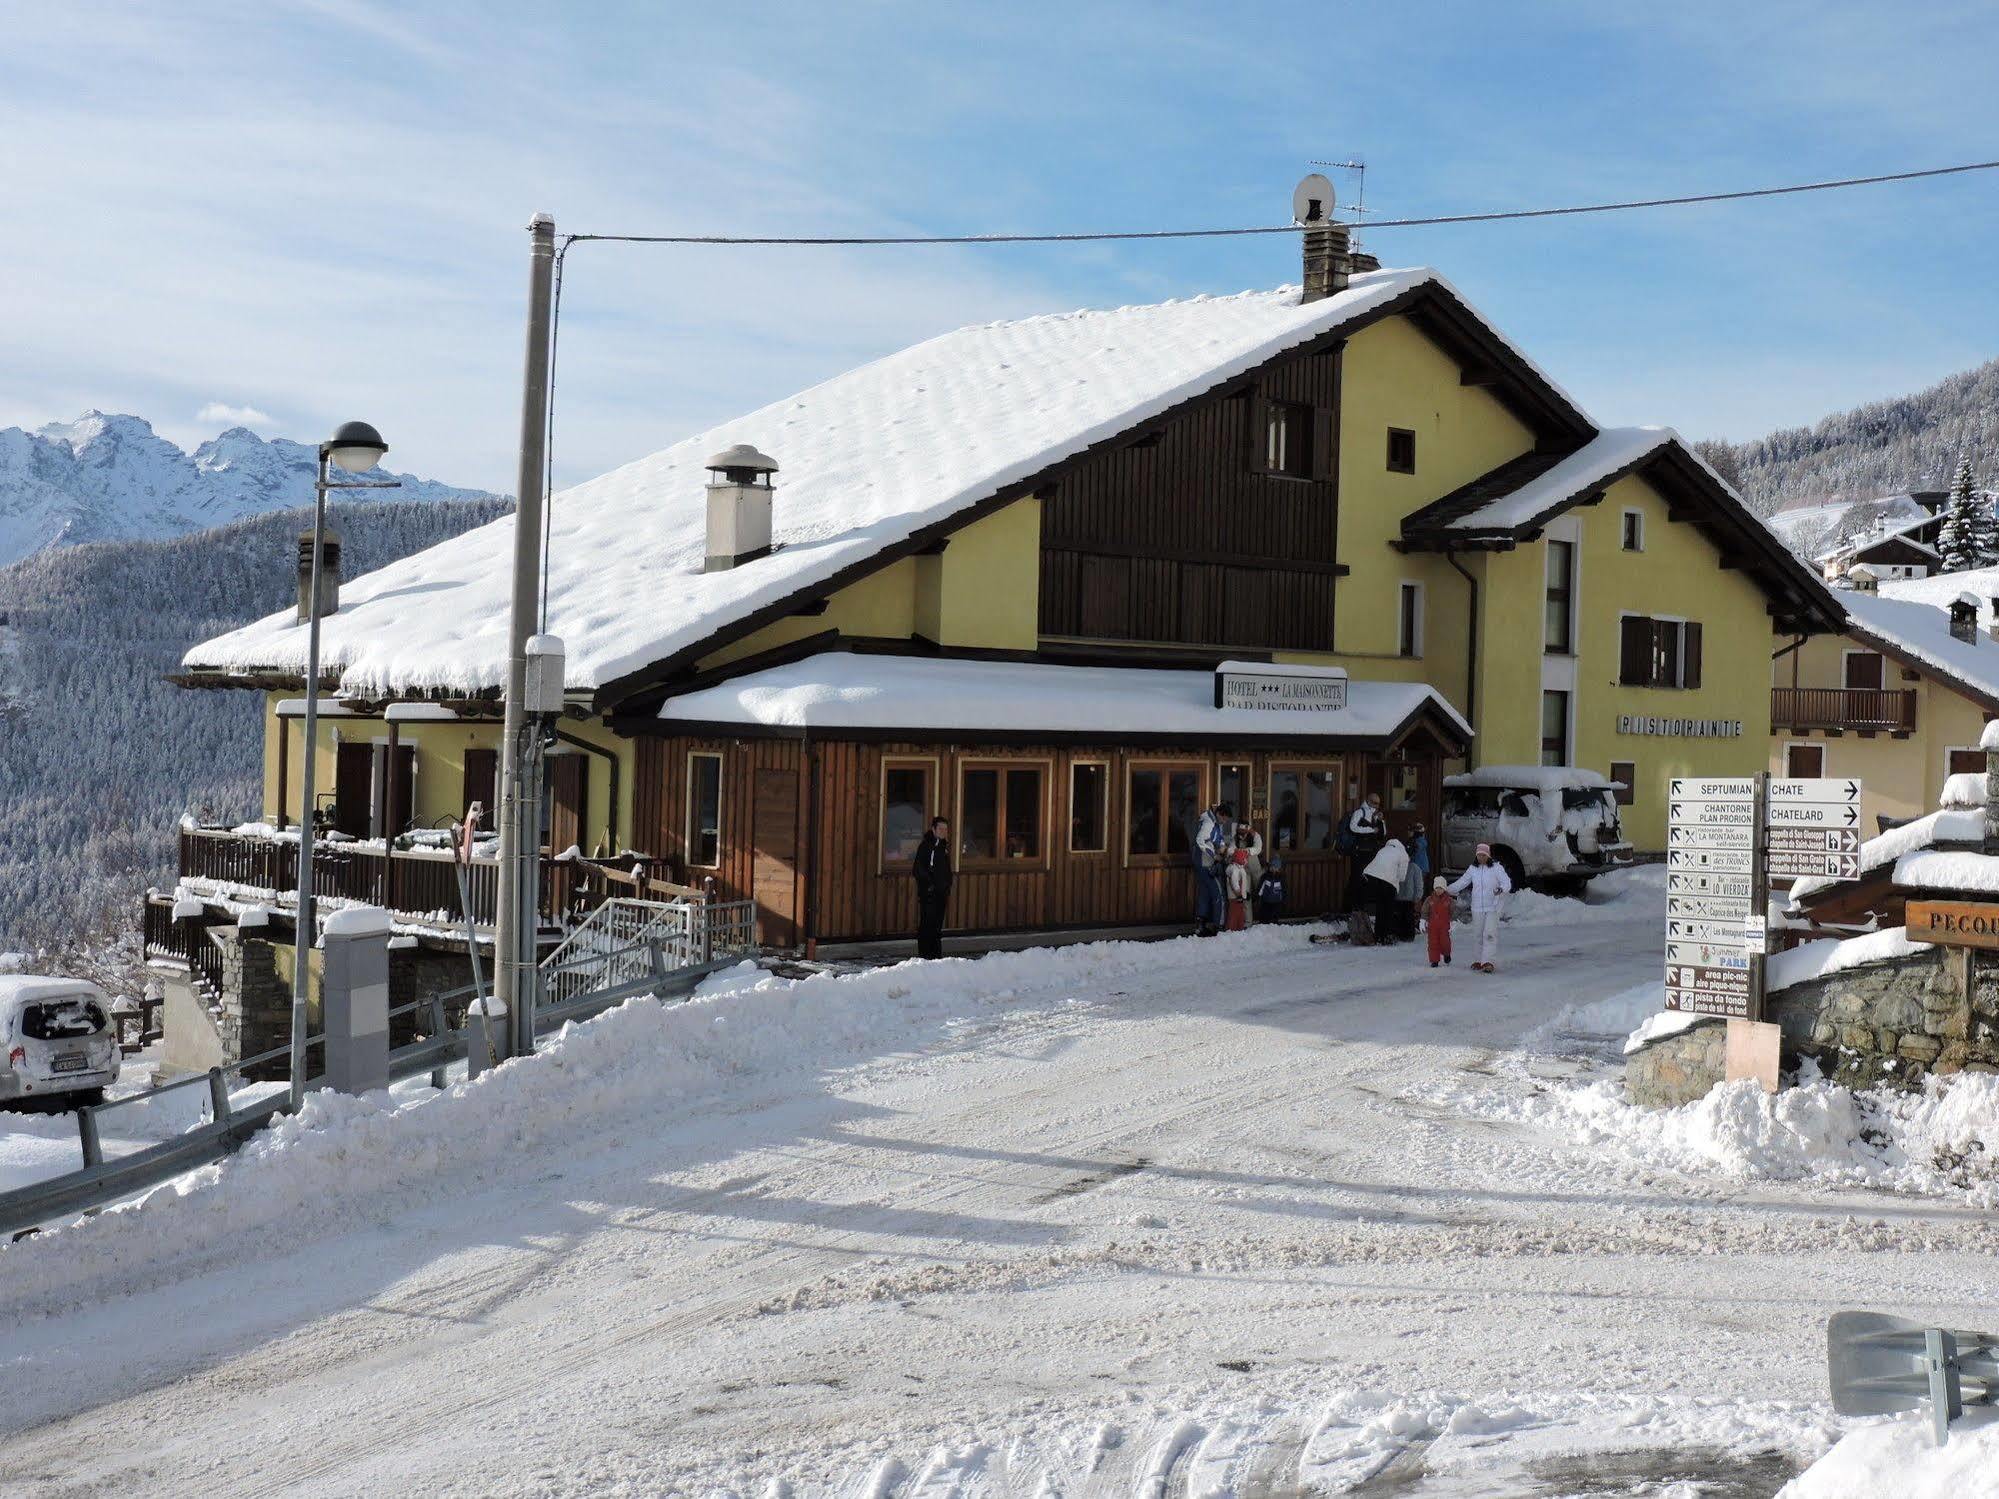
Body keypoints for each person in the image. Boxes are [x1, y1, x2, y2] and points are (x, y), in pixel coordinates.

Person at [1448, 842, 1513, 972]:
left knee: (1489, 934)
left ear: (1488, 856)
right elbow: (1462, 882)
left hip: (1492, 906)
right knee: (1477, 934)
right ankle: (1478, 960)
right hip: (1477, 907)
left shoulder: (1496, 868)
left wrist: (1501, 889)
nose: (1481, 858)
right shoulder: (1473, 869)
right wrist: (1447, 889)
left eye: (1483, 855)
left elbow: (1507, 882)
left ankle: (1488, 961)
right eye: (1479, 855)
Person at [912, 815, 953, 960]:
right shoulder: (926, 847)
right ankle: (925, 957)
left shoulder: (943, 848)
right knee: (926, 926)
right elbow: (918, 869)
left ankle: (936, 957)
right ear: (933, 829)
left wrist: (947, 886)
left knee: (937, 927)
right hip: (929, 895)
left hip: (941, 894)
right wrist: (929, 886)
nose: (943, 832)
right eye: (940, 829)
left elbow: (946, 870)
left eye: (946, 829)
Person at [1192, 800, 1235, 937]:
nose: (1225, 822)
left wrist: (1222, 845)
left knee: (1204, 893)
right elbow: (1200, 840)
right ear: (1220, 815)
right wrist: (1215, 855)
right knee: (1219, 894)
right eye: (1225, 819)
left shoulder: (1213, 820)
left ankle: (1200, 925)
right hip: (1206, 863)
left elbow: (1218, 836)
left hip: (1201, 863)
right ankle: (1218, 926)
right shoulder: (1209, 823)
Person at [1343, 792, 1387, 912]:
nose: (1377, 806)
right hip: (1359, 852)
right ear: (1368, 801)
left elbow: (1382, 834)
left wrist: (1381, 822)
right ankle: (1351, 907)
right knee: (1356, 879)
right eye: (1375, 803)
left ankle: (1364, 907)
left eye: (1378, 804)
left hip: (1371, 852)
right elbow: (1353, 827)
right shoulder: (1359, 812)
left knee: (1368, 879)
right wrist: (1371, 830)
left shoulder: (1376, 815)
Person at [1361, 836, 1409, 945]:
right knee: (1388, 909)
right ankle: (1386, 935)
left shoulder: (1383, 849)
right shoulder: (1403, 854)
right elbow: (1402, 876)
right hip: (1388, 882)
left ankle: (1378, 935)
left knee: (1380, 907)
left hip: (1370, 878)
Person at [1395, 844, 1427, 942]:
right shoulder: (1398, 867)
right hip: (1399, 897)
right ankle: (1400, 934)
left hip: (1409, 898)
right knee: (1400, 916)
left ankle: (1408, 935)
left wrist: (1418, 896)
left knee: (1408, 917)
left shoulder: (1414, 868)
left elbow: (1418, 883)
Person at [1236, 823, 1265, 924]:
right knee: (1246, 895)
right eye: (1239, 832)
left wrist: (1247, 850)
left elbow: (1258, 848)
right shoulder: (1235, 840)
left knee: (1261, 892)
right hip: (1244, 871)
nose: (1241, 835)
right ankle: (1248, 922)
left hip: (1255, 869)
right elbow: (1230, 849)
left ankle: (1263, 919)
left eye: (1243, 832)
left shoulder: (1254, 838)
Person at [1424, 875, 1455, 968]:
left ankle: (1446, 954)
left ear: (1444, 888)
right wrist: (1423, 919)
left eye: (1440, 888)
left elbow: (1453, 911)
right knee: (1433, 943)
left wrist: (1453, 921)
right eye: (1437, 888)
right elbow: (1424, 910)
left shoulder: (1449, 900)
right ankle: (1434, 960)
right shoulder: (1429, 900)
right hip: (1432, 927)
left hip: (1444, 926)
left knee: (1445, 942)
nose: (1438, 890)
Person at [1223, 848, 1251, 932]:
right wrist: (1239, 894)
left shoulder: (1238, 868)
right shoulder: (1234, 869)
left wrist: (1244, 893)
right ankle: (1232, 929)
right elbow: (1235, 884)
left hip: (1238, 896)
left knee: (1240, 913)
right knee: (1234, 913)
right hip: (1235, 896)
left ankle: (1239, 928)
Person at [1256, 856, 1286, 923]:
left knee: (1274, 918)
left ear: (1279, 868)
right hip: (1266, 901)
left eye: (1275, 867)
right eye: (1271, 866)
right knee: (1264, 917)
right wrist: (1257, 896)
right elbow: (1260, 887)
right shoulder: (1265, 876)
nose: (1273, 868)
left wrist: (1284, 900)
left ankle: (1274, 929)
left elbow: (1284, 890)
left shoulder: (1281, 878)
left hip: (1276, 902)